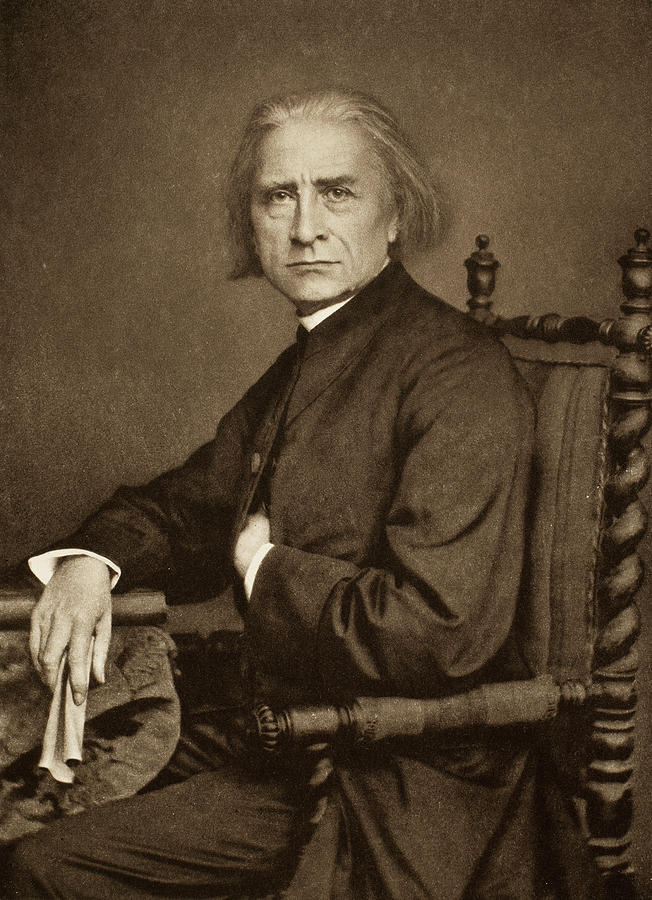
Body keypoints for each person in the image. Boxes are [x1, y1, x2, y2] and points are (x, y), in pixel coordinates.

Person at [7, 89, 537, 898]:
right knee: (18, 798)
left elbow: (441, 631)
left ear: (394, 215)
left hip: (391, 775)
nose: (304, 227)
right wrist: (89, 565)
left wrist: (263, 569)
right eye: (278, 196)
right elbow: (183, 509)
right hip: (280, 735)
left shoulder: (458, 373)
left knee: (42, 867)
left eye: (337, 192)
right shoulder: (317, 354)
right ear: (251, 222)